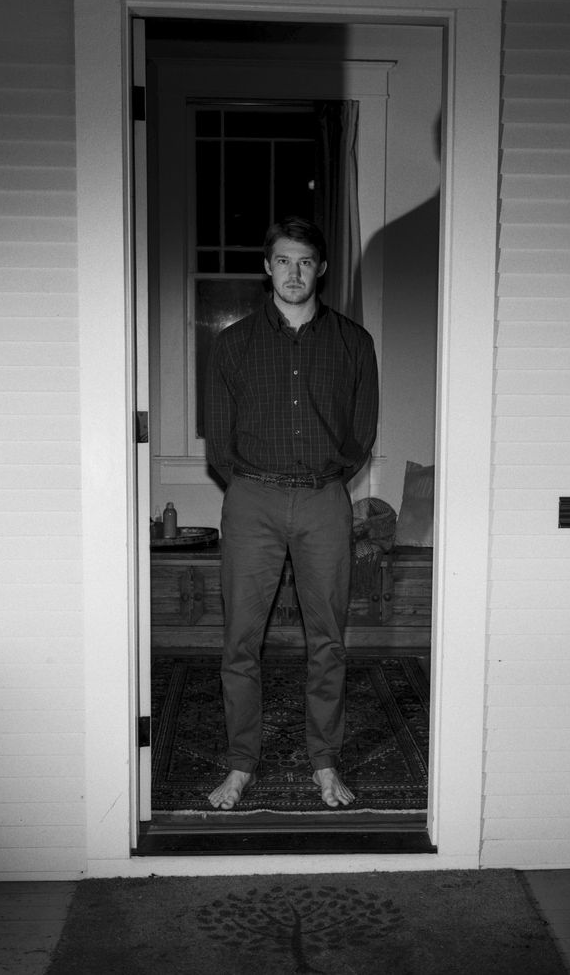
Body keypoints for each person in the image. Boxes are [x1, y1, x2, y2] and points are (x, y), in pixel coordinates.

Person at [204, 216, 379, 810]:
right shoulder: (233, 345)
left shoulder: (355, 343)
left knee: (327, 639)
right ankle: (240, 764)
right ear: (267, 267)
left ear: (321, 268)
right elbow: (219, 447)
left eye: (305, 261)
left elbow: (361, 433)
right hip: (251, 499)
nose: (294, 272)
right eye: (283, 260)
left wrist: (324, 481)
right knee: (240, 642)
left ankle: (324, 762)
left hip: (325, 501)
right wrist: (257, 488)